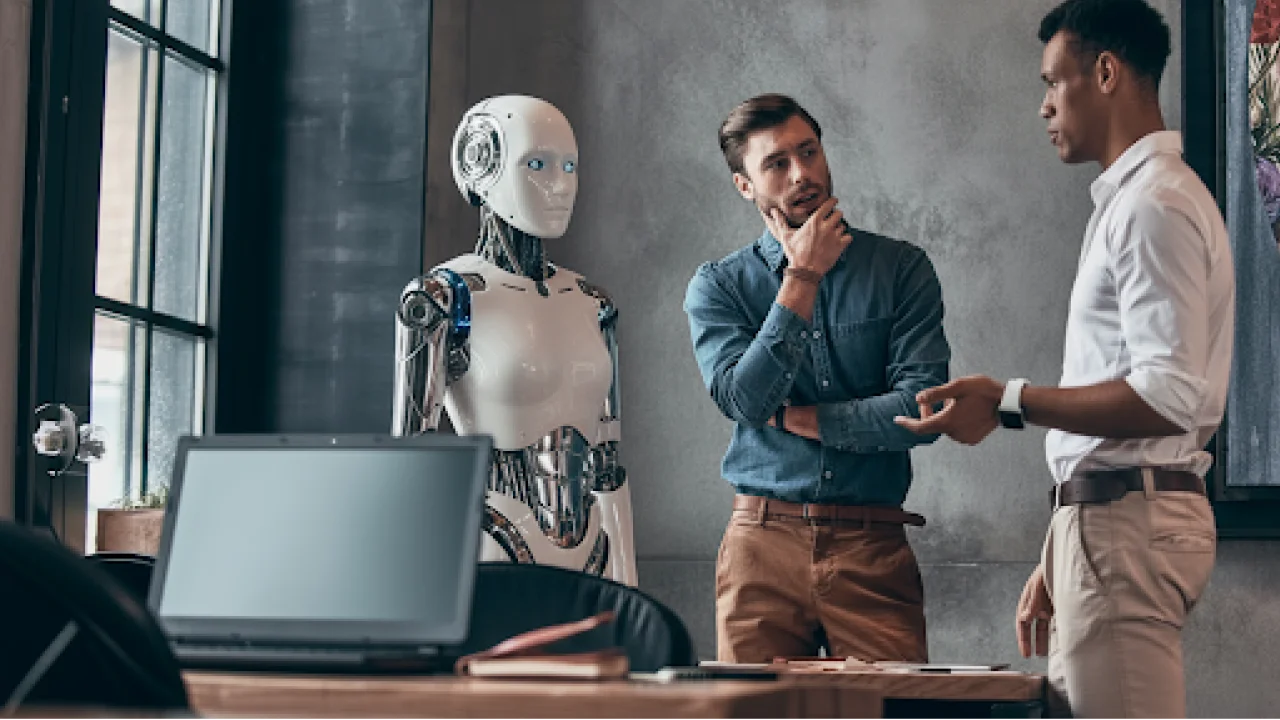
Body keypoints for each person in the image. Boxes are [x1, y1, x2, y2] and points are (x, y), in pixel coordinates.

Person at [895, 2, 1234, 718]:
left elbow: (1168, 392)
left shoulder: (1153, 205)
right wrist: (1065, 543)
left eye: (1054, 81)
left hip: (1125, 528)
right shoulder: (1140, 201)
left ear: (1105, 72)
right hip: (1109, 525)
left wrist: (1009, 400)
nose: (1044, 106)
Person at [683, 93, 951, 663]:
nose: (802, 174)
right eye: (777, 163)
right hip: (761, 543)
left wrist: (806, 420)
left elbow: (921, 411)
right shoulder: (719, 287)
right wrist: (801, 276)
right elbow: (744, 398)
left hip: (871, 543)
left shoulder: (901, 269)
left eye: (809, 151)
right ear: (745, 186)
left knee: (897, 712)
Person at [391, 95, 637, 586]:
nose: (560, 185)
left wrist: (628, 576)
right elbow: (411, 453)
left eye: (570, 167)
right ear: (482, 165)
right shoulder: (443, 296)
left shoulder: (592, 301)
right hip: (491, 536)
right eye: (538, 165)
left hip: (595, 544)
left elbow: (608, 459)